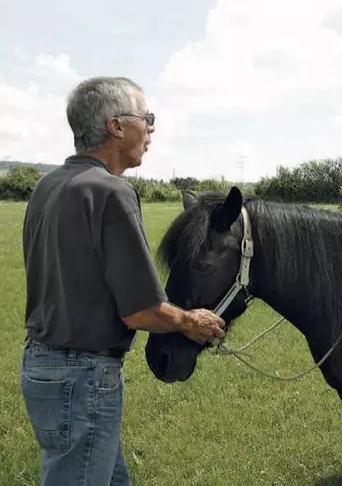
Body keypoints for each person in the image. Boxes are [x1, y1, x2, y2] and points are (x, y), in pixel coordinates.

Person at [20, 76, 226, 486]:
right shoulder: (111, 192)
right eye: (146, 118)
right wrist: (191, 322)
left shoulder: (47, 185)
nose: (151, 129)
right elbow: (140, 311)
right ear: (116, 126)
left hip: (41, 366)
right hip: (83, 378)